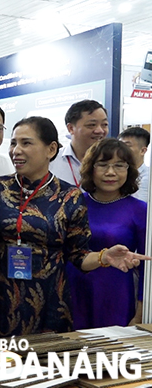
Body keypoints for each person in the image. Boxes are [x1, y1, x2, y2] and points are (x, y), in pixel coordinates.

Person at [0, 116, 147, 337]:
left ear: (51, 149)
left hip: (53, 299)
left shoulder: (69, 197)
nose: (16, 150)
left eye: (26, 143)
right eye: (14, 143)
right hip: (0, 295)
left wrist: (104, 257)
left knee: (62, 362)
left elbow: (78, 254)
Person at [66, 138, 146, 329]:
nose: (110, 172)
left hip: (115, 293)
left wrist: (140, 313)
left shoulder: (140, 210)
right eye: (103, 165)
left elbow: (146, 268)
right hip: (72, 290)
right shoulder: (73, 203)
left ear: (129, 170)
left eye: (119, 165)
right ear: (90, 168)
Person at [49, 100, 108, 187]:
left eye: (104, 124)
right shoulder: (52, 161)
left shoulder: (115, 162)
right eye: (92, 125)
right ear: (71, 128)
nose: (100, 130)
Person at [119, 127, 150, 203]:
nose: (121, 150)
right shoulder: (118, 173)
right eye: (120, 146)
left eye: (127, 146)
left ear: (142, 151)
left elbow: (140, 207)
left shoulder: (147, 177)